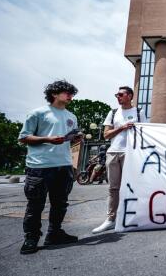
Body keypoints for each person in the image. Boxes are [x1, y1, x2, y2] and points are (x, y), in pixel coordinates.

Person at [18, 80, 81, 254]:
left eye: (71, 93)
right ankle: (31, 238)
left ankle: (54, 233)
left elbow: (70, 139)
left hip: (64, 165)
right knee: (35, 204)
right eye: (66, 92)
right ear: (54, 94)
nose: (70, 95)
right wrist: (47, 139)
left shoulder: (71, 116)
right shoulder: (38, 113)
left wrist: (75, 139)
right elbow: (23, 138)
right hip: (40, 166)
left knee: (60, 203)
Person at [92, 86, 146, 233]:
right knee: (113, 188)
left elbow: (145, 133)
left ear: (129, 96)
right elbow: (106, 135)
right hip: (114, 152)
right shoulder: (113, 112)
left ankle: (134, 217)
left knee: (133, 186)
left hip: (131, 153)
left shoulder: (139, 112)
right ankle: (110, 219)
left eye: (121, 94)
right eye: (117, 94)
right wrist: (122, 128)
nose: (118, 97)